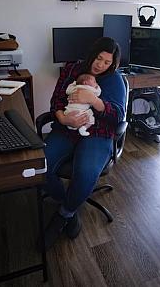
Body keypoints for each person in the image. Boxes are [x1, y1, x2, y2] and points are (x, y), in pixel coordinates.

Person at [42, 37, 127, 249]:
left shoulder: (114, 80)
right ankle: (69, 205)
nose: (100, 65)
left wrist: (94, 101)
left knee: (86, 171)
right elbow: (56, 102)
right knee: (40, 167)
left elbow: (118, 115)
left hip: (98, 133)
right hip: (66, 128)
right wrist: (63, 118)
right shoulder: (72, 69)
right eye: (99, 58)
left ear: (113, 64)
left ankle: (64, 214)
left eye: (107, 62)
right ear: (93, 54)